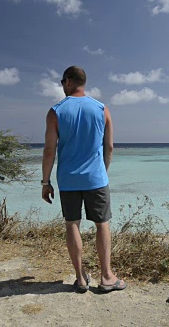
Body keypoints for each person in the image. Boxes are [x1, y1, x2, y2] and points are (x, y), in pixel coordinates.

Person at [41, 66, 125, 293]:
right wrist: (102, 172)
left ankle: (80, 279)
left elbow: (49, 150)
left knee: (72, 224)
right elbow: (109, 147)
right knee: (102, 224)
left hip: (68, 179)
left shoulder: (56, 111)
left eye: (61, 82)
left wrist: (45, 181)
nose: (62, 85)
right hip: (96, 178)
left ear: (68, 81)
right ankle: (107, 276)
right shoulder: (102, 109)